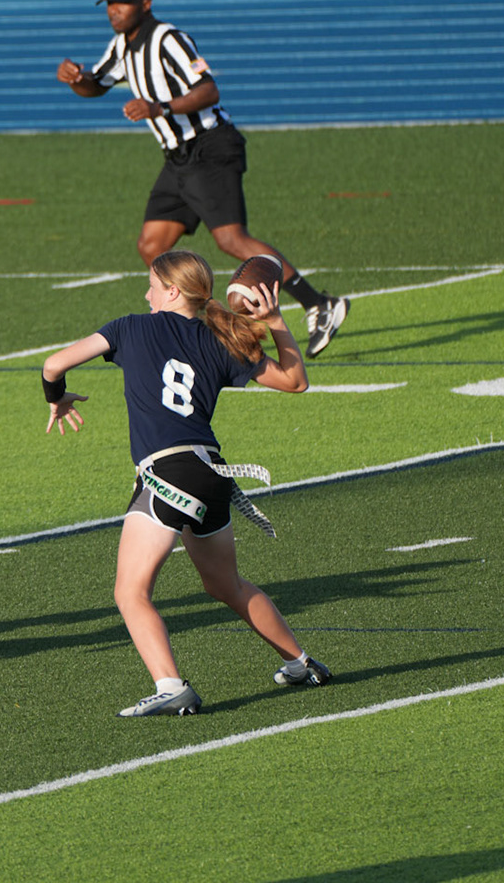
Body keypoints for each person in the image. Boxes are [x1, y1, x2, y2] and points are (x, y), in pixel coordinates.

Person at [39, 248, 331, 717]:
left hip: (168, 474)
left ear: (173, 291)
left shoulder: (129, 328)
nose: (146, 294)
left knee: (130, 592)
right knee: (226, 585)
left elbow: (54, 365)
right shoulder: (222, 338)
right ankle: (300, 662)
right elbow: (296, 381)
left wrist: (56, 399)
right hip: (212, 474)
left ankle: (170, 685)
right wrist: (276, 320)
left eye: (153, 286)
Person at [56, 0, 349, 356]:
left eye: (122, 2)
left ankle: (319, 304)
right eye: (110, 3)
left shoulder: (168, 39)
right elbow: (97, 84)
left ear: (146, 4)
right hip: (177, 157)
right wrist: (75, 78)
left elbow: (209, 90)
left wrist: (159, 107)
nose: (114, 10)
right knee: (152, 245)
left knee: (231, 239)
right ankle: (211, 325)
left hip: (210, 146)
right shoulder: (121, 45)